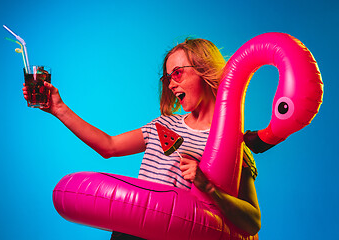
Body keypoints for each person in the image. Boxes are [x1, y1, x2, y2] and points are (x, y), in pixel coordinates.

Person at [23, 38, 261, 239]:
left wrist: (209, 188)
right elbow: (110, 146)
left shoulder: (230, 144)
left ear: (205, 69)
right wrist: (59, 108)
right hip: (130, 233)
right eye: (167, 78)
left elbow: (252, 222)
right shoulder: (163, 124)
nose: (171, 83)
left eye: (177, 73)